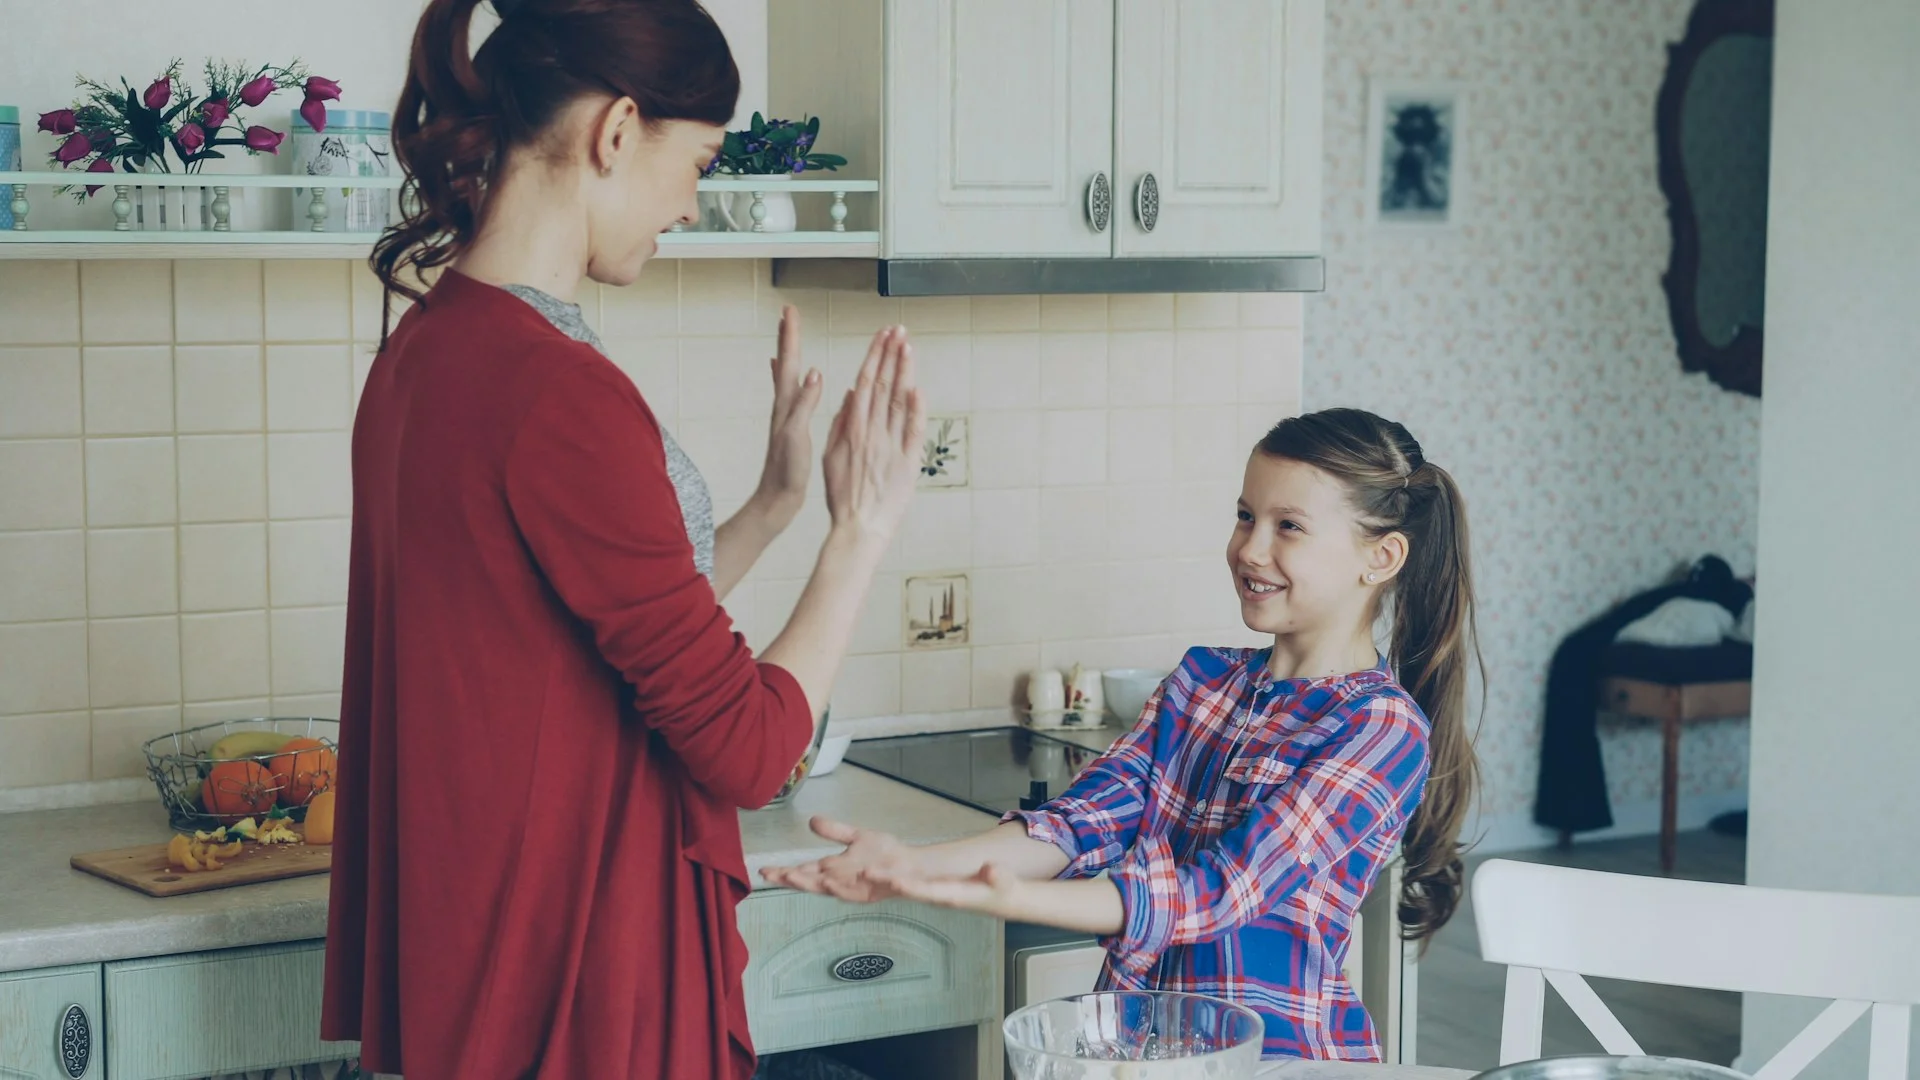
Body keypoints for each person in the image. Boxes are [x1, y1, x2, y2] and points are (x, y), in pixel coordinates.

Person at [318, 1, 925, 1077]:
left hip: (486, 958)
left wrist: (777, 504)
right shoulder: (557, 393)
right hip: (581, 970)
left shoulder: (426, 351)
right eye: (696, 162)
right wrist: (859, 533)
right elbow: (746, 748)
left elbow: (582, 625)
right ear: (614, 131)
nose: (692, 204)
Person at [764, 408, 1482, 1060]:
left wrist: (991, 895)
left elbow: (1216, 893)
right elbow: (1079, 824)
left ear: (1380, 558)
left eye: (1288, 526)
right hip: (1152, 1050)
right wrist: (921, 866)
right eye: (1244, 516)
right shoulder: (1204, 683)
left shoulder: (1379, 728)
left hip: (1282, 1061)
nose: (1250, 549)